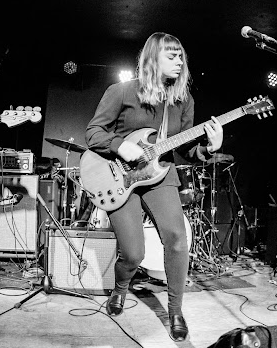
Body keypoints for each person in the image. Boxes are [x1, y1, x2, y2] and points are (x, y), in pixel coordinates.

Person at [85, 32, 223, 342]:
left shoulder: (183, 100)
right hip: (119, 177)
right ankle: (121, 288)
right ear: (152, 59)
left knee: (176, 237)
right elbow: (93, 133)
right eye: (172, 56)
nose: (179, 61)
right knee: (133, 253)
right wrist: (121, 146)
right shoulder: (121, 92)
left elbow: (187, 150)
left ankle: (175, 310)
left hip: (160, 176)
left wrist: (209, 148)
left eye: (181, 56)